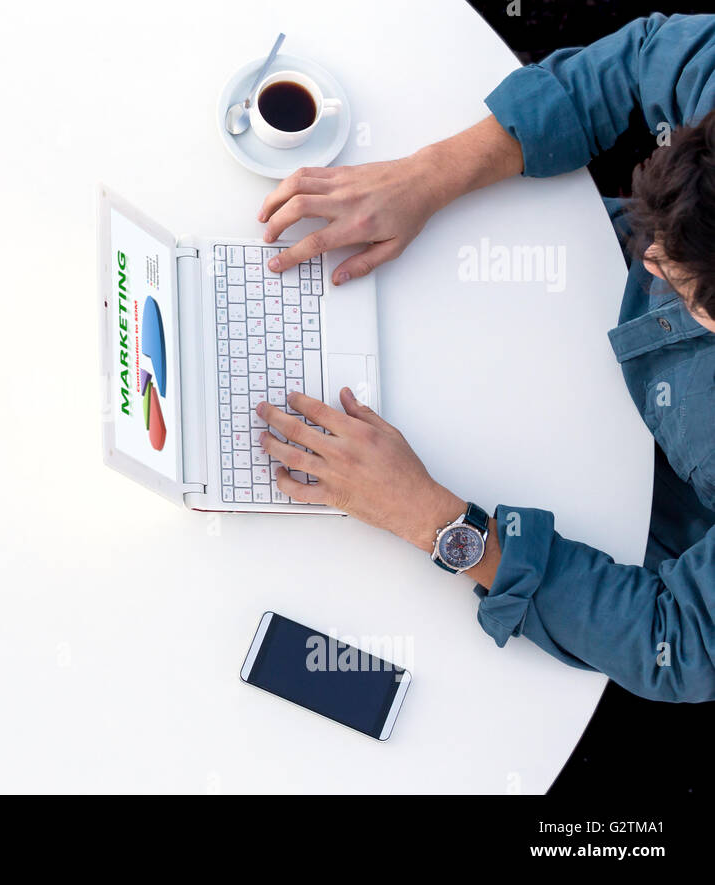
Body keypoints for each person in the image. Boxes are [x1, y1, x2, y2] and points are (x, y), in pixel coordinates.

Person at [253, 12, 715, 702]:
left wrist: (436, 522)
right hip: (543, 274)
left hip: (616, 511)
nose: (647, 259)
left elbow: (676, 641)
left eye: (677, 282)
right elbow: (652, 53)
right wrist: (430, 174)